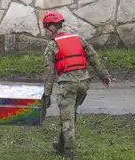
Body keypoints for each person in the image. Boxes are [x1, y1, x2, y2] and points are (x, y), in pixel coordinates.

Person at [42, 11, 112, 159]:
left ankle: (69, 150)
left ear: (52, 27)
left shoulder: (52, 45)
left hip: (67, 85)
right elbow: (93, 57)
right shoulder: (78, 39)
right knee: (70, 113)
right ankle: (61, 143)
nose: (46, 32)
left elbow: (49, 72)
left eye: (46, 29)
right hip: (84, 84)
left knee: (67, 117)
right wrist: (104, 76)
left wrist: (46, 94)